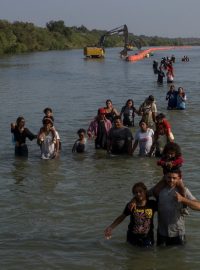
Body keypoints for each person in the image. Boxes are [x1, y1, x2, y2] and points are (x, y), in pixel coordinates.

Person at [151, 170, 200, 246]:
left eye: (174, 178)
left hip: (178, 233)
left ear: (179, 178)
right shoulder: (159, 189)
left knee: (178, 256)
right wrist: (133, 201)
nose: (171, 180)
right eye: (169, 177)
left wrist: (183, 199)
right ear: (164, 177)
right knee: (160, 256)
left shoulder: (184, 191)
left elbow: (198, 206)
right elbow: (143, 194)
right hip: (162, 232)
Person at [104, 182, 157, 247]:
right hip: (132, 237)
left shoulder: (152, 204)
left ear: (145, 191)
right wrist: (111, 227)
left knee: (147, 256)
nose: (138, 194)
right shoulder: (131, 205)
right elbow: (122, 216)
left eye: (140, 191)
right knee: (132, 255)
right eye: (135, 192)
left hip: (148, 237)